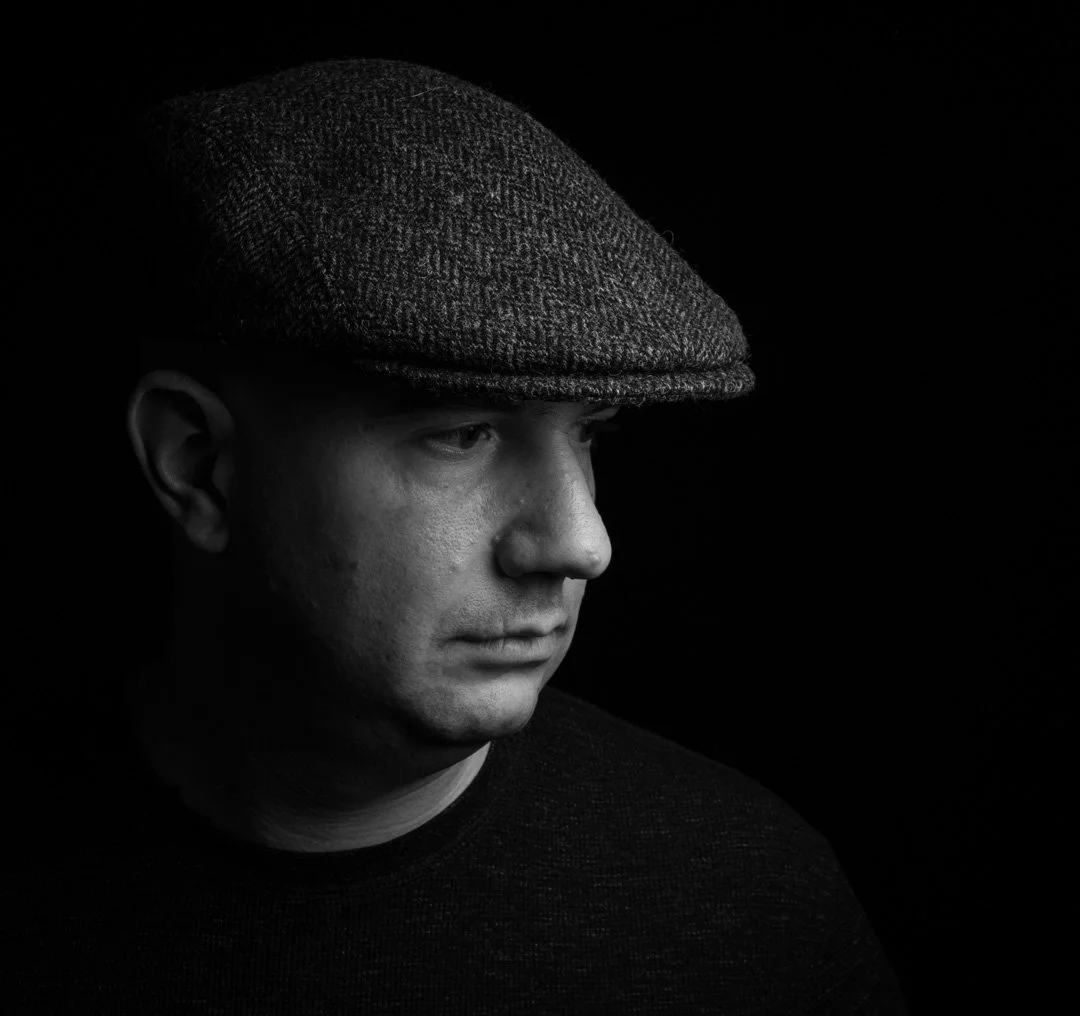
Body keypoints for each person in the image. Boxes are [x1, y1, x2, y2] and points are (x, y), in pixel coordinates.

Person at [7, 58, 909, 1013]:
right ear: (196, 464)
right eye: (462, 433)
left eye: (590, 433)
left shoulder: (749, 907)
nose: (581, 543)